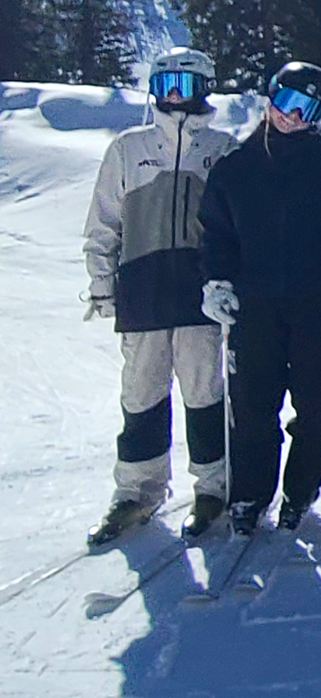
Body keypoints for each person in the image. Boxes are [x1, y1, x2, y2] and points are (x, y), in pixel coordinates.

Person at [197, 62, 321, 536]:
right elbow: (216, 234)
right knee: (254, 406)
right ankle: (250, 495)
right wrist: (217, 282)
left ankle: (300, 492)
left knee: (318, 406)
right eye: (285, 103)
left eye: (306, 109)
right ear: (269, 99)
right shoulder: (236, 167)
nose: (291, 117)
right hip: (254, 306)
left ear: (318, 114)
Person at [82, 48, 241, 546]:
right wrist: (102, 282)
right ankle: (137, 491)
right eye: (167, 83)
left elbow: (241, 225)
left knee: (204, 393)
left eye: (186, 85)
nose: (175, 95)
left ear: (204, 88)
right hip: (144, 292)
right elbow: (104, 222)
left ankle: (214, 486)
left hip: (200, 296)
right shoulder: (128, 148)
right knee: (142, 393)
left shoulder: (222, 149)